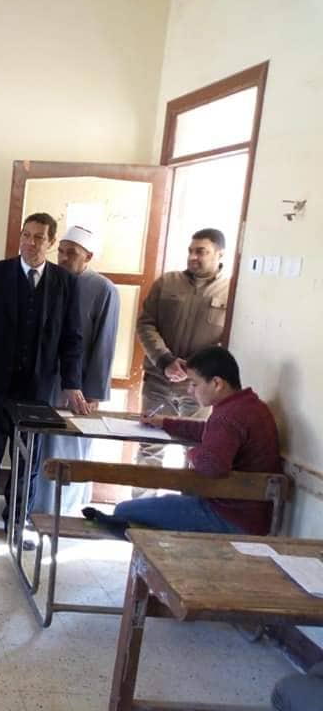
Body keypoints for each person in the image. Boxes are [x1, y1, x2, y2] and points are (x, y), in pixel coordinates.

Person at [0, 212, 86, 547]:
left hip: (38, 388)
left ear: (51, 242)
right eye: (26, 235)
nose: (30, 243)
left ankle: (16, 523)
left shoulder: (65, 282)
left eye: (38, 237)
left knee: (27, 461)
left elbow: (72, 337)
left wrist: (71, 382)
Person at [83, 346, 281, 536]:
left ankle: (148, 543)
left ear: (217, 383)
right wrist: (165, 423)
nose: (189, 391)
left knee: (123, 510)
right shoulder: (248, 405)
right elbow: (209, 431)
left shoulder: (227, 416)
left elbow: (212, 465)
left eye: (194, 384)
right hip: (249, 514)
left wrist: (192, 453)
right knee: (159, 507)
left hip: (231, 518)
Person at [33, 225, 120, 514]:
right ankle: (34, 506)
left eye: (71, 253)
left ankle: (64, 510)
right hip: (46, 381)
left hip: (78, 386)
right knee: (42, 444)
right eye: (60, 251)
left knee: (70, 446)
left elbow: (104, 344)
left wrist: (93, 391)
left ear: (88, 256)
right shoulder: (49, 279)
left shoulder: (103, 289)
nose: (63, 257)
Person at [134, 228, 229, 488]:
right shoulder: (167, 282)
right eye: (191, 251)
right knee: (149, 447)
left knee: (195, 449)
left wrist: (196, 369)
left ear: (220, 254)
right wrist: (165, 361)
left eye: (201, 251)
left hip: (200, 388)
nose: (193, 257)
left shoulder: (230, 291)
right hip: (158, 380)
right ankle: (141, 507)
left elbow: (230, 339)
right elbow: (146, 324)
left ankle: (186, 506)